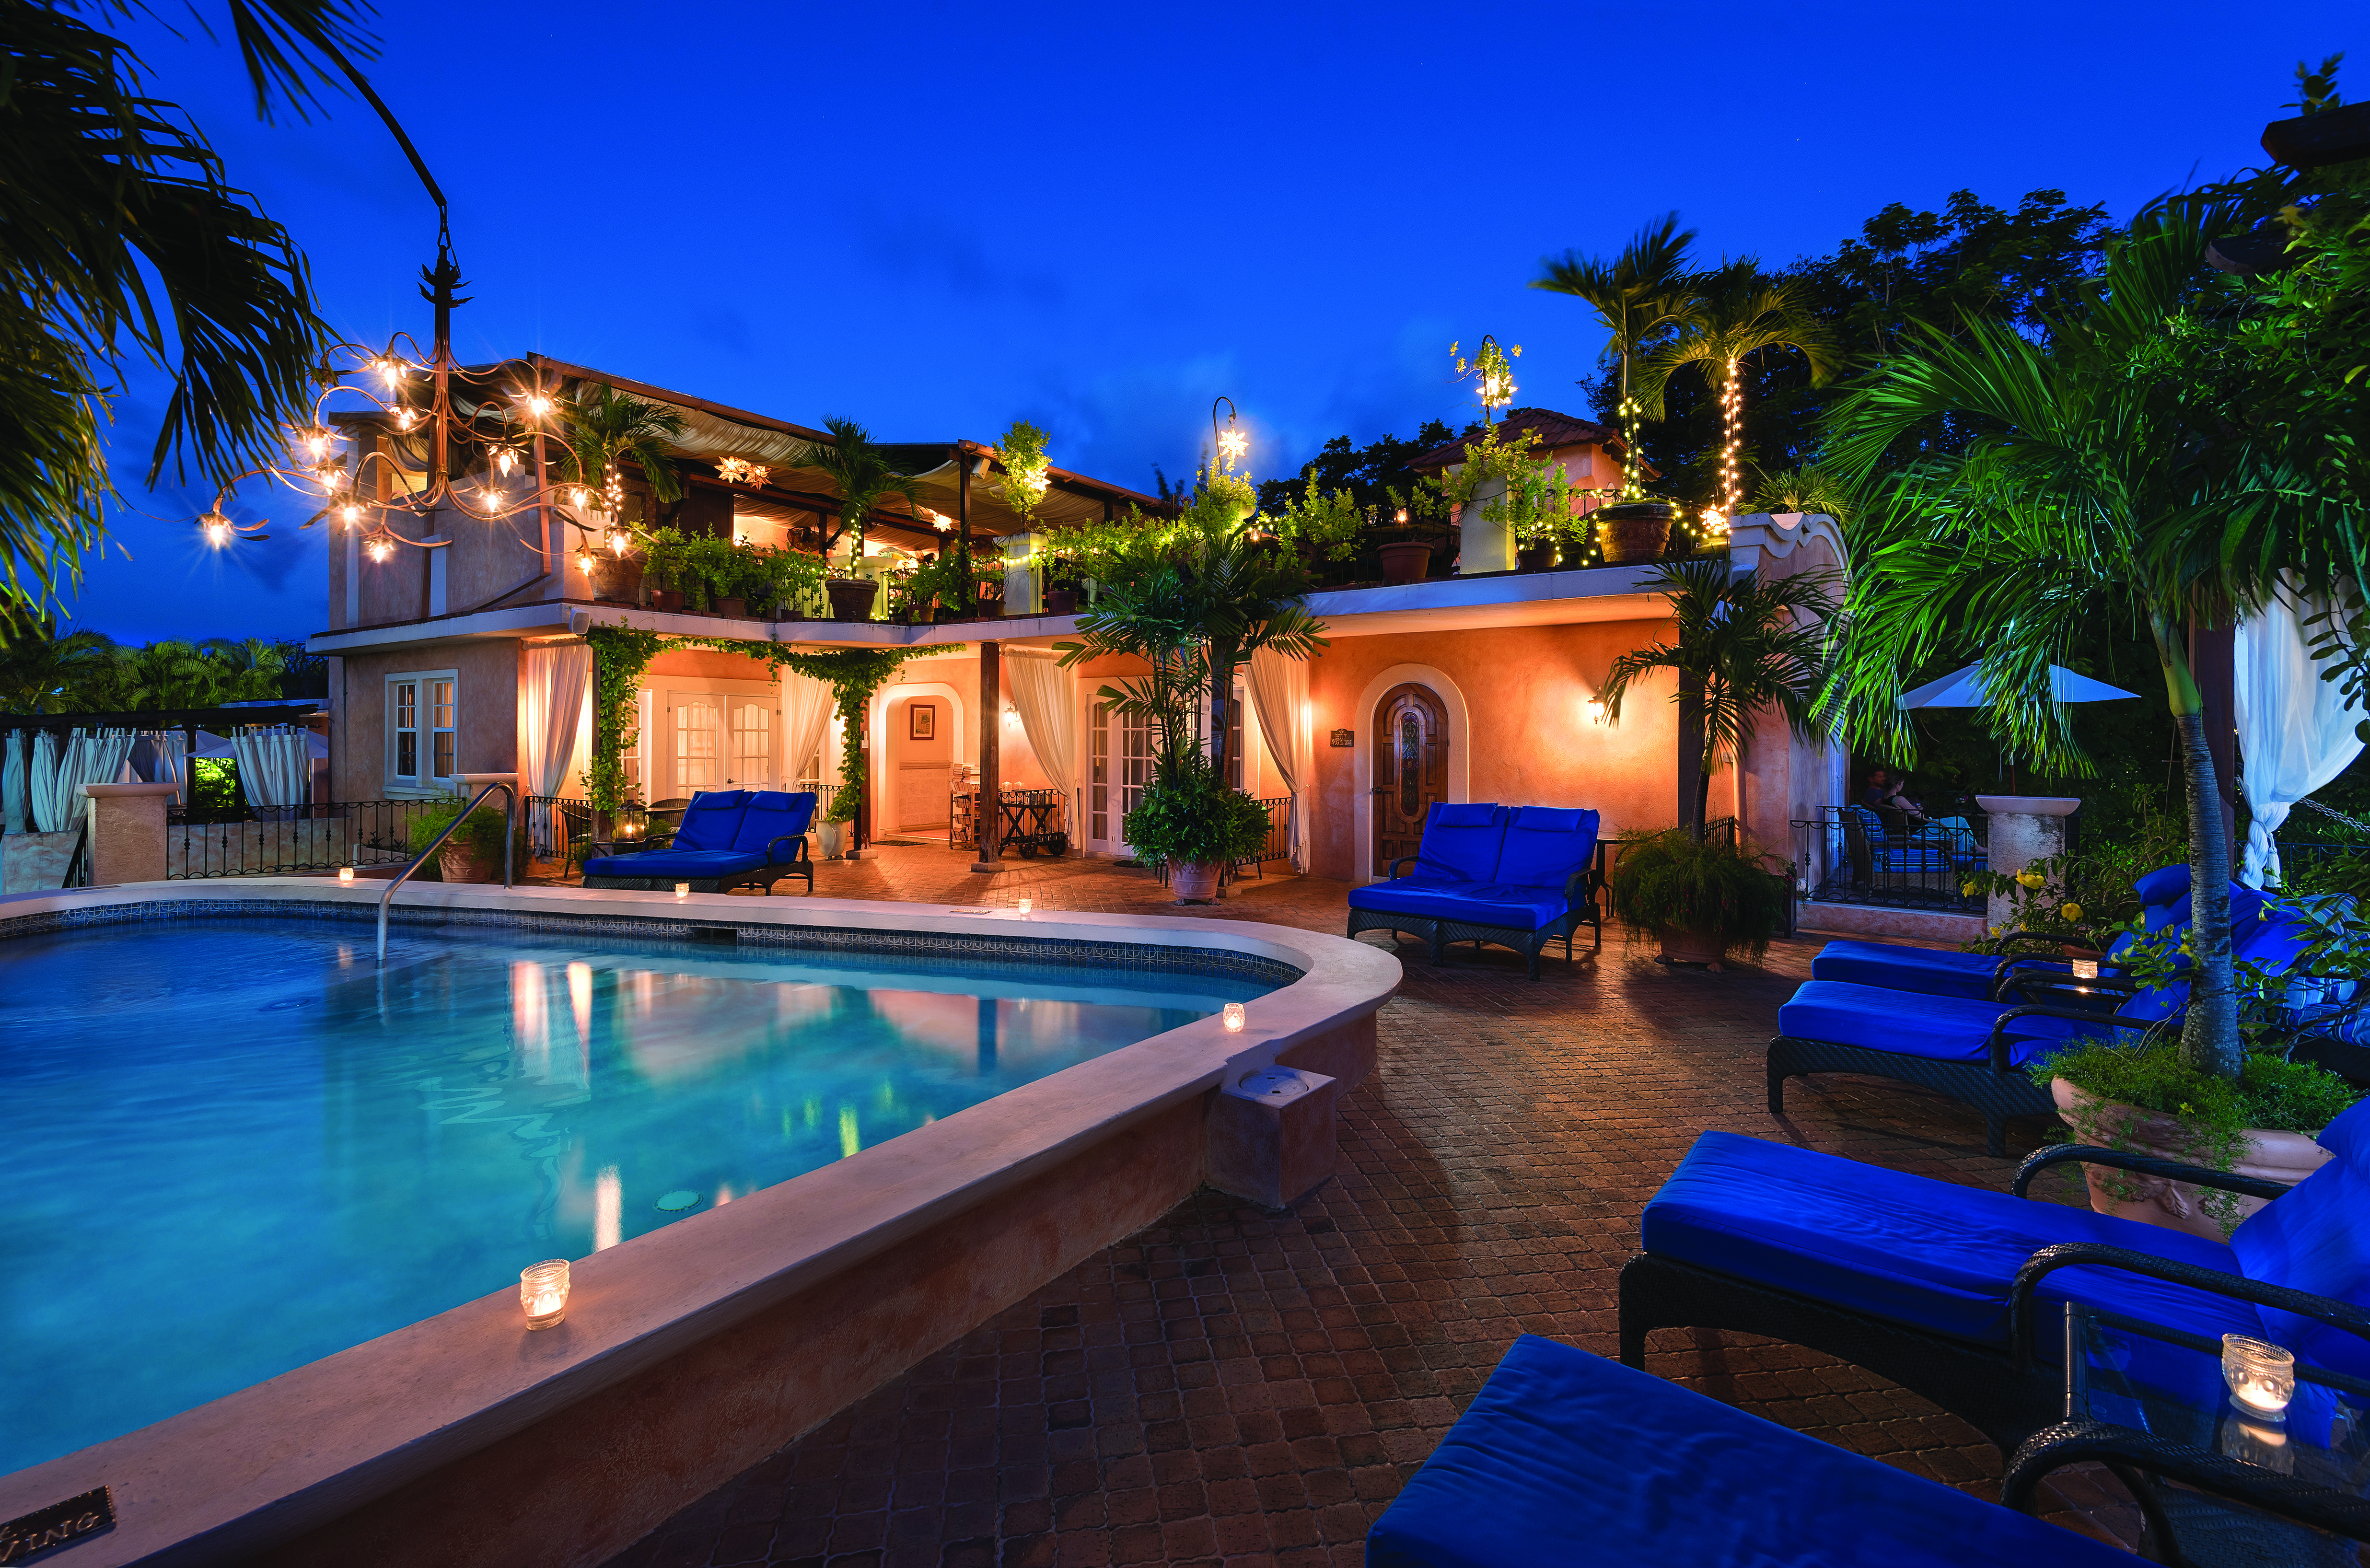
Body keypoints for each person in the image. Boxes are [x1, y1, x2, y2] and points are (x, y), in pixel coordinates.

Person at [1861, 767, 1929, 832]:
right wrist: (1918, 810)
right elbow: (1920, 816)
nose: (1902, 786)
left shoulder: (1883, 800)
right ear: (1897, 785)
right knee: (1936, 823)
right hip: (1918, 829)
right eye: (1902, 784)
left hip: (1900, 828)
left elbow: (1878, 806)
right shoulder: (1898, 800)